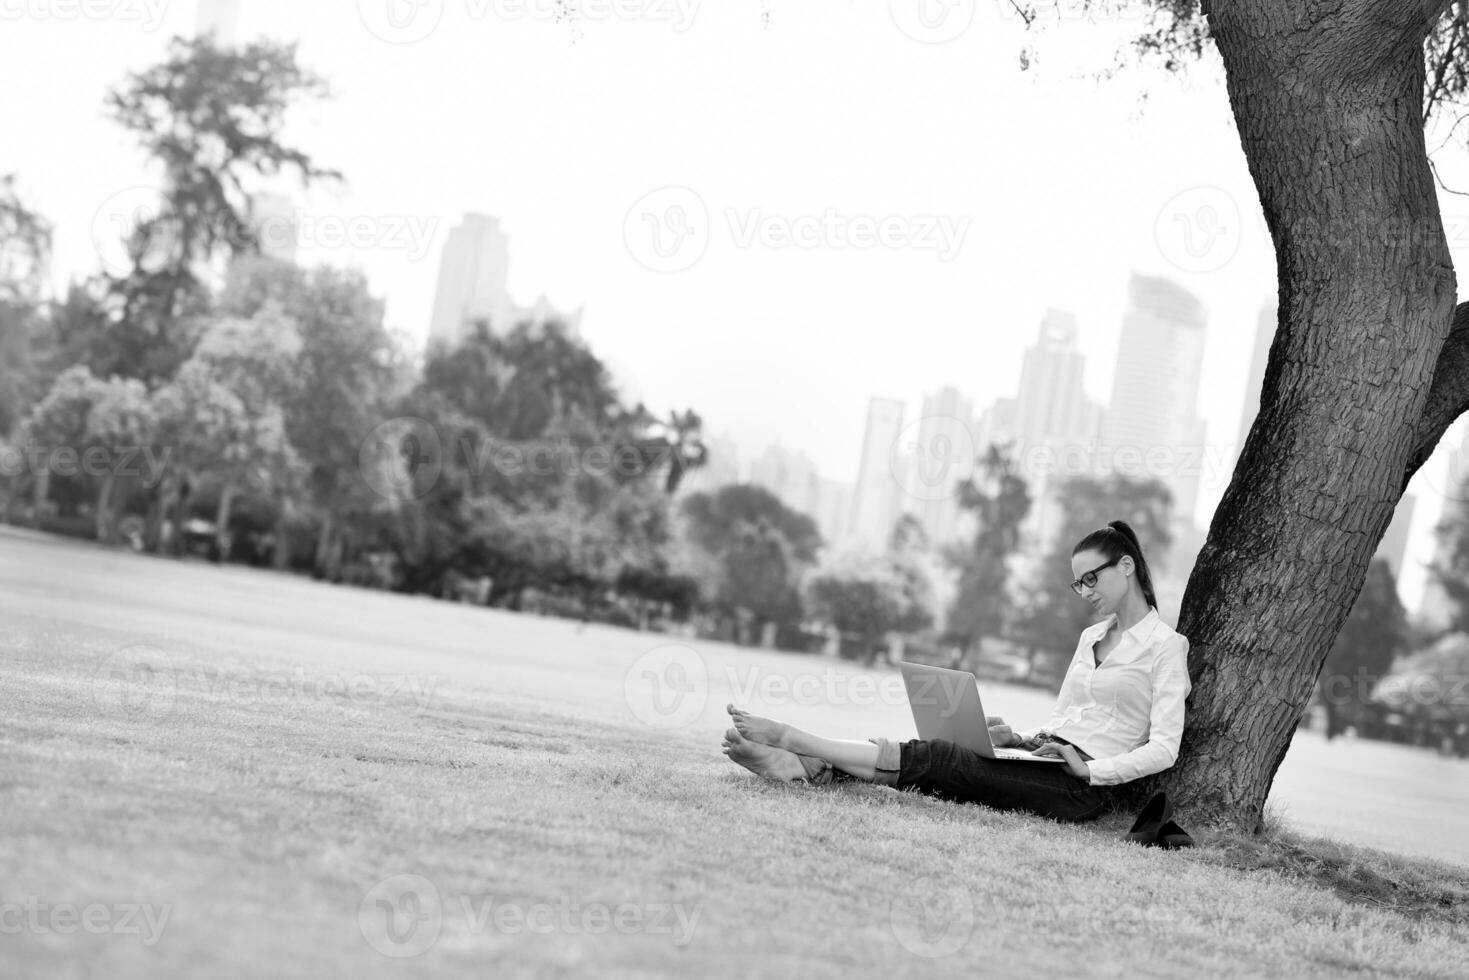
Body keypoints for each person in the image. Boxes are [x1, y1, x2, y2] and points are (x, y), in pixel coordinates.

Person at [721, 520, 1191, 823]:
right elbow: (1065, 717)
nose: (1085, 590)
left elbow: (1165, 747)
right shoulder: (1091, 639)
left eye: (1092, 578)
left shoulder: (1166, 647)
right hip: (1045, 760)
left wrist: (1092, 770)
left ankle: (795, 742)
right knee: (949, 761)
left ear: (1126, 566)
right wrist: (1020, 740)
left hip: (1080, 789)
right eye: (1078, 582)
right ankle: (810, 767)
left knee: (946, 762)